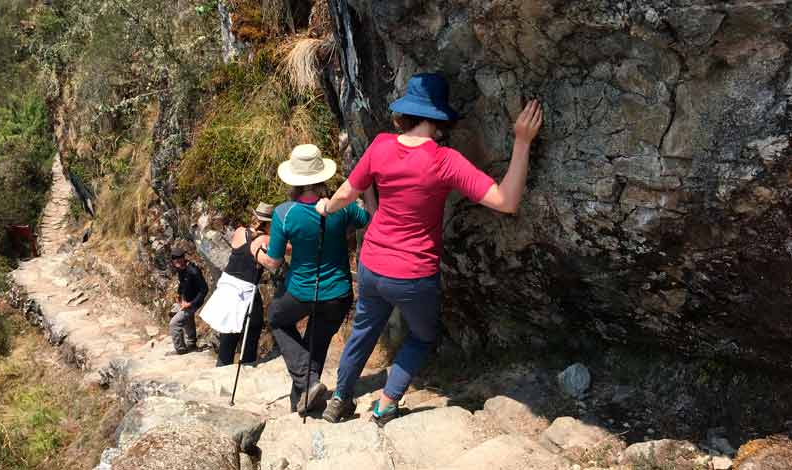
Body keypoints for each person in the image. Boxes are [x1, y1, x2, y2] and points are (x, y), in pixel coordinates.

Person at [318, 72, 544, 426]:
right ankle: (386, 403)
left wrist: (326, 207)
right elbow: (506, 201)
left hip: (373, 263)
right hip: (412, 274)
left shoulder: (379, 145)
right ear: (439, 120)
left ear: (406, 114)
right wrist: (521, 141)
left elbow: (347, 193)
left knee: (363, 330)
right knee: (423, 336)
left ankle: (339, 399)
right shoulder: (444, 160)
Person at [255, 144, 370, 415]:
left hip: (302, 291)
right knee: (316, 341)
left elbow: (273, 262)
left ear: (294, 182)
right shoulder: (342, 208)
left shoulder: (284, 213)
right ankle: (306, 394)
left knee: (277, 318)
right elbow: (367, 217)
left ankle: (307, 386)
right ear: (322, 178)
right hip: (340, 292)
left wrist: (257, 252)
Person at [200, 202, 274, 367]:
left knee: (228, 328)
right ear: (269, 223)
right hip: (246, 289)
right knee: (253, 325)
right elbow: (285, 249)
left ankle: (222, 366)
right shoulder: (265, 239)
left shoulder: (240, 232)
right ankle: (247, 364)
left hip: (228, 285)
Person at [168, 246, 209, 355]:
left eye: (179, 257)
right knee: (179, 315)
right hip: (185, 301)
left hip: (193, 302)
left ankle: (181, 350)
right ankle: (191, 343)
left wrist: (190, 303)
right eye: (174, 258)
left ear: (183, 257)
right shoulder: (180, 269)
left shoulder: (193, 271)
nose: (176, 260)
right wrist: (179, 295)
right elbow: (183, 283)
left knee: (174, 324)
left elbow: (204, 289)